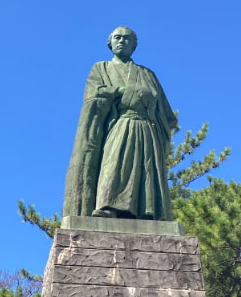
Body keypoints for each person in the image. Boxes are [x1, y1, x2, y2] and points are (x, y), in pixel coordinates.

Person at [62, 26, 177, 220]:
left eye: (127, 38)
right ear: (110, 43)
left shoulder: (148, 74)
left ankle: (146, 211)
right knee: (113, 164)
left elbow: (166, 113)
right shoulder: (101, 68)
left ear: (134, 45)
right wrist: (122, 92)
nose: (122, 41)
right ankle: (108, 206)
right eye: (117, 38)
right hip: (120, 124)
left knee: (146, 169)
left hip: (147, 129)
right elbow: (94, 94)